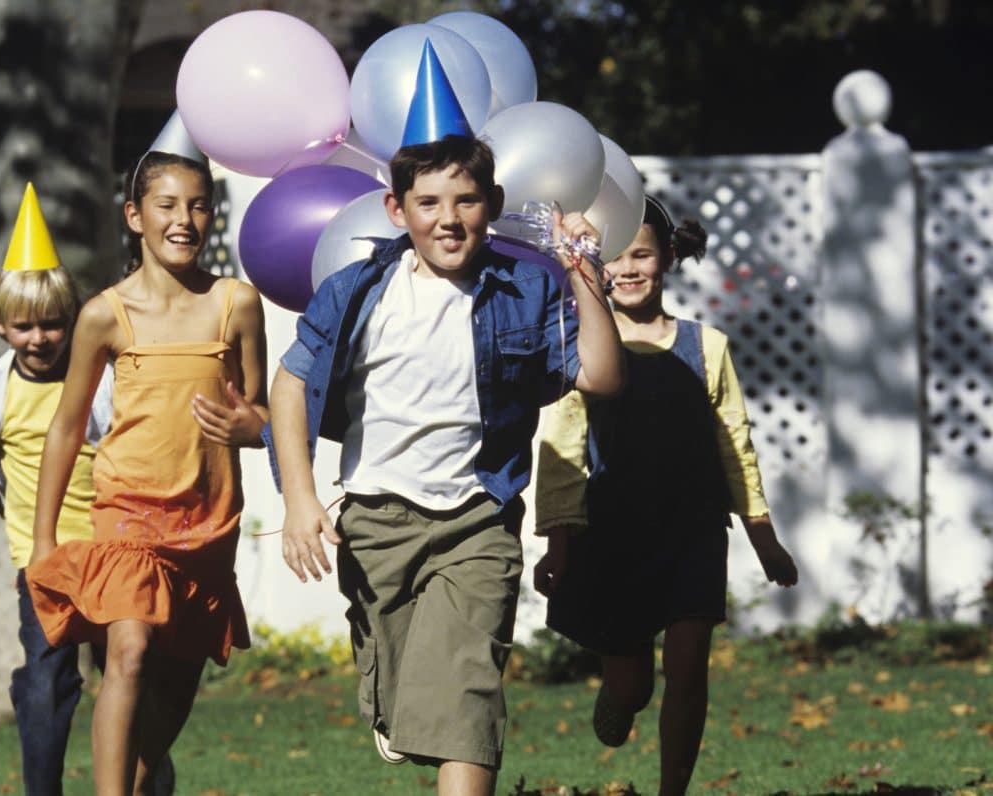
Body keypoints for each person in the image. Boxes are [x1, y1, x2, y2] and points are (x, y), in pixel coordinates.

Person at [267, 43, 624, 796]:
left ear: (490, 205)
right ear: (398, 211)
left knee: (467, 698)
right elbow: (291, 386)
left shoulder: (525, 291)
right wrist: (300, 500)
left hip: (478, 518)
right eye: (428, 203)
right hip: (376, 521)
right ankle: (397, 711)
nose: (449, 219)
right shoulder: (357, 291)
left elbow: (601, 374)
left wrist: (583, 273)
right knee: (406, 706)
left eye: (465, 201)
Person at [25, 134, 268, 796]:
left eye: (197, 206)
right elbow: (66, 427)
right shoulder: (105, 314)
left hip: (208, 526)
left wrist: (254, 427)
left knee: (167, 705)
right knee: (127, 652)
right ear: (134, 215)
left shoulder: (235, 305)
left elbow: (262, 417)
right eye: (166, 205)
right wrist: (45, 540)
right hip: (129, 515)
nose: (182, 221)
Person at [534, 196, 798, 795]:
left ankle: (672, 790)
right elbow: (562, 446)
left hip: (694, 534)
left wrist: (765, 540)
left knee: (687, 669)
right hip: (613, 538)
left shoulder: (707, 347)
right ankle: (620, 695)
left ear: (668, 257)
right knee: (635, 685)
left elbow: (737, 445)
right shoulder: (587, 349)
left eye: (643, 255)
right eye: (616, 257)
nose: (628, 269)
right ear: (596, 265)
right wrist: (559, 541)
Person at [0, 183, 114, 796]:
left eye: (52, 324)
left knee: (131, 674)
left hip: (113, 551)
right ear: (1, 327)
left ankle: (145, 777)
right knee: (47, 679)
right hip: (44, 560)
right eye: (24, 326)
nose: (39, 338)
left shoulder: (101, 383)